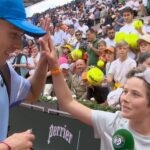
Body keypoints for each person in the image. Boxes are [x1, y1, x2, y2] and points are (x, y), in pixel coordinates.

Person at [43, 25, 150, 149]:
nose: (125, 98)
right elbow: (68, 103)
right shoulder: (113, 122)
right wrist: (55, 66)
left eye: (135, 94)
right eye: (125, 91)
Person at [0, 0, 52, 149]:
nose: (18, 45)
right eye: (13, 34)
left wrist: (43, 58)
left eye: (20, 36)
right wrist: (7, 147)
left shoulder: (5, 70)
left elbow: (32, 92)